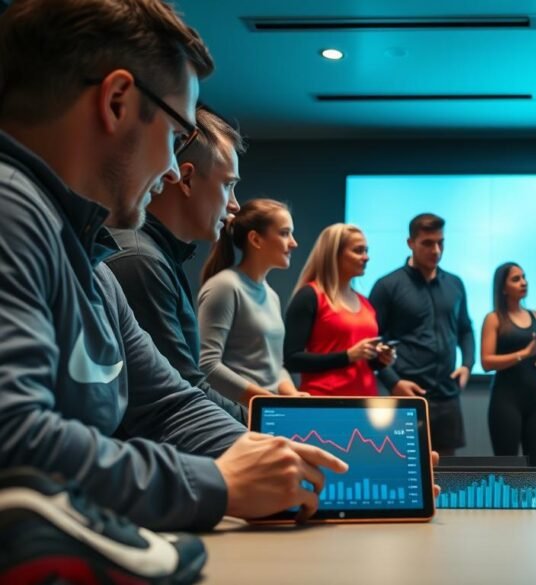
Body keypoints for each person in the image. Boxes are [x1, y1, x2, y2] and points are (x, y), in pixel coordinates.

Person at [0, 0, 344, 530]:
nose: (169, 168)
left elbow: (170, 406)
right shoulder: (13, 211)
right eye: (175, 135)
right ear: (116, 102)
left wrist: (304, 470)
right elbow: (15, 441)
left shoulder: (91, 266)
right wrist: (217, 484)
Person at [105, 107, 246, 422]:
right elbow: (177, 399)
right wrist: (264, 423)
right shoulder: (141, 261)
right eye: (228, 185)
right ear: (186, 179)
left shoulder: (155, 255)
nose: (235, 204)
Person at [369, 213, 475, 456]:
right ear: (410, 243)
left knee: (446, 472)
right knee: (404, 469)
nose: (436, 250)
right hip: (408, 393)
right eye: (427, 243)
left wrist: (467, 364)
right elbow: (372, 343)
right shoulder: (388, 286)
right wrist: (393, 382)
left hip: (447, 397)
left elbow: (466, 329)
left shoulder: (455, 284)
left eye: (440, 242)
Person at [198, 198, 303, 403]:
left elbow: (275, 367)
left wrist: (293, 397)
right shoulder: (225, 286)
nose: (293, 243)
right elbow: (207, 365)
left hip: (264, 412)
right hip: (235, 414)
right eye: (284, 233)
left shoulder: (271, 295)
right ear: (255, 239)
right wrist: (265, 401)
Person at [284, 223, 396, 396]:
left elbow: (362, 362)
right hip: (325, 401)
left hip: (365, 401)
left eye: (366, 251)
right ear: (334, 254)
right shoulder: (310, 296)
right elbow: (292, 359)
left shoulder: (365, 303)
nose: (366, 257)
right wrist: (347, 356)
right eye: (358, 251)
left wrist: (380, 360)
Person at [481, 263, 536, 466]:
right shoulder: (494, 319)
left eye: (524, 277)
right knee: (507, 465)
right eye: (516, 279)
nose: (523, 282)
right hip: (506, 400)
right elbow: (486, 362)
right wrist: (523, 354)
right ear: (503, 287)